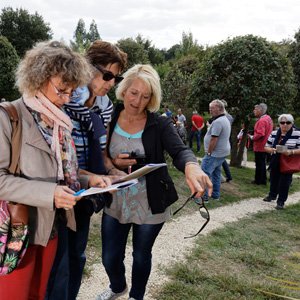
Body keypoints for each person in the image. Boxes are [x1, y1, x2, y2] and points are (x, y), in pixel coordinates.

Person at [0, 41, 111, 300]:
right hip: (18, 229)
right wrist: (50, 193)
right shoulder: (8, 117)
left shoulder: (60, 123)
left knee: (40, 294)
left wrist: (89, 178)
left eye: (72, 91)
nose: (67, 99)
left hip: (51, 229)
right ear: (37, 78)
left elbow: (62, 172)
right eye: (62, 90)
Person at [97, 64, 212, 300]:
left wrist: (191, 166)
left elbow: (180, 151)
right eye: (133, 92)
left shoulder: (159, 123)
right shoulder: (109, 115)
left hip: (150, 203)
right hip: (116, 201)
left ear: (152, 98)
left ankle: (136, 296)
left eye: (145, 96)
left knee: (141, 255)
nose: (137, 101)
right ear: (124, 89)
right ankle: (118, 286)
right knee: (109, 257)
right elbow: (100, 153)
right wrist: (112, 165)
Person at [46, 41, 127, 300]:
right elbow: (56, 155)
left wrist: (112, 171)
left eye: (117, 78)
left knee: (77, 256)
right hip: (58, 190)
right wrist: (90, 177)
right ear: (87, 67)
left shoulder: (105, 107)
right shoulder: (64, 98)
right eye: (107, 75)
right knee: (56, 262)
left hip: (86, 194)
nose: (111, 83)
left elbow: (101, 153)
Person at [263, 114, 300, 210]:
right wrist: (270, 150)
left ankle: (281, 201)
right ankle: (272, 195)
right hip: (276, 160)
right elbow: (267, 146)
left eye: (288, 122)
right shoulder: (274, 133)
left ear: (292, 124)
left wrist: (291, 152)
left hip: (288, 161)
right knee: (273, 178)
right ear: (279, 124)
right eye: (282, 122)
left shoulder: (297, 134)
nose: (285, 125)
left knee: (285, 181)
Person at [201, 99, 231, 203]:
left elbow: (214, 139)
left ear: (220, 109)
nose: (210, 110)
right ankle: (215, 195)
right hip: (221, 153)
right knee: (216, 174)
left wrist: (209, 152)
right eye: (210, 108)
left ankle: (204, 197)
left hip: (215, 153)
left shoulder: (218, 122)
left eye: (212, 108)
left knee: (204, 173)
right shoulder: (225, 119)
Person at [248, 103, 273, 185]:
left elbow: (260, 134)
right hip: (266, 144)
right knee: (262, 163)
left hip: (260, 145)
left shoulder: (261, 121)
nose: (253, 111)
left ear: (261, 111)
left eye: (255, 109)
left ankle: (258, 181)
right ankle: (263, 180)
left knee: (259, 164)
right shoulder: (268, 118)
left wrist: (251, 137)